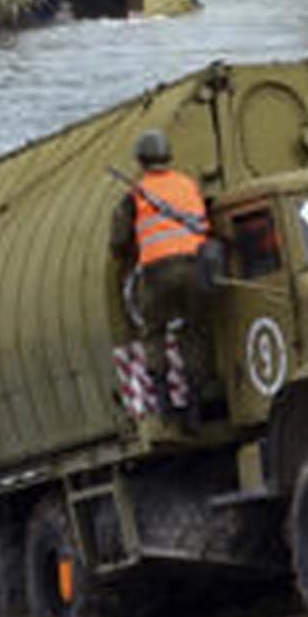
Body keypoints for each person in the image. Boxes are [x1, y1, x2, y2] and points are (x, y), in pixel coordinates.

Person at [111, 130, 211, 424]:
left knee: (154, 331)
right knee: (194, 331)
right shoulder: (188, 185)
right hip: (196, 267)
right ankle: (195, 406)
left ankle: (165, 402)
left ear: (141, 160)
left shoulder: (136, 193)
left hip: (158, 272)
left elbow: (118, 239)